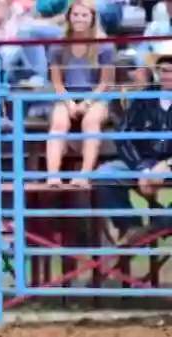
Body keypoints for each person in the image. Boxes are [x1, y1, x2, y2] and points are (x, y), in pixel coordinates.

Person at [92, 47, 172, 246]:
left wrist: (167, 166)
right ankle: (130, 225)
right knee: (104, 174)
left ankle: (161, 222)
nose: (167, 74)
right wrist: (143, 169)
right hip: (144, 162)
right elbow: (124, 136)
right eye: (163, 69)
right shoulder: (144, 97)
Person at [44, 0, 114, 188]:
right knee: (59, 122)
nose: (79, 19)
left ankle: (85, 174)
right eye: (75, 15)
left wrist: (87, 103)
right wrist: (69, 103)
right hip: (66, 95)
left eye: (84, 15)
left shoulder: (104, 45)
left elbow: (105, 82)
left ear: (92, 18)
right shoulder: (58, 46)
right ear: (68, 17)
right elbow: (57, 83)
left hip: (96, 96)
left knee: (90, 121)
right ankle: (53, 176)